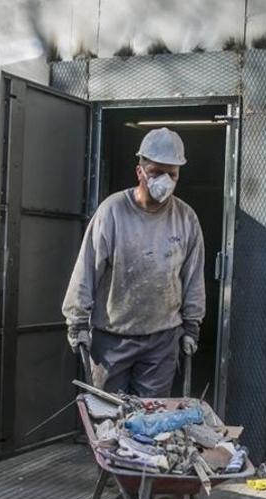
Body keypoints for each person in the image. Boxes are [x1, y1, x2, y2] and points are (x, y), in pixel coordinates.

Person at [61, 127, 205, 397]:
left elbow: (193, 276)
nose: (164, 180)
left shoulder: (186, 218)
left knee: (150, 422)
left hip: (162, 339)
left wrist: (191, 326)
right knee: (111, 419)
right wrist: (77, 322)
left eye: (171, 174)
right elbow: (86, 269)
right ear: (140, 171)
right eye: (156, 172)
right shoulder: (112, 212)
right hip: (113, 337)